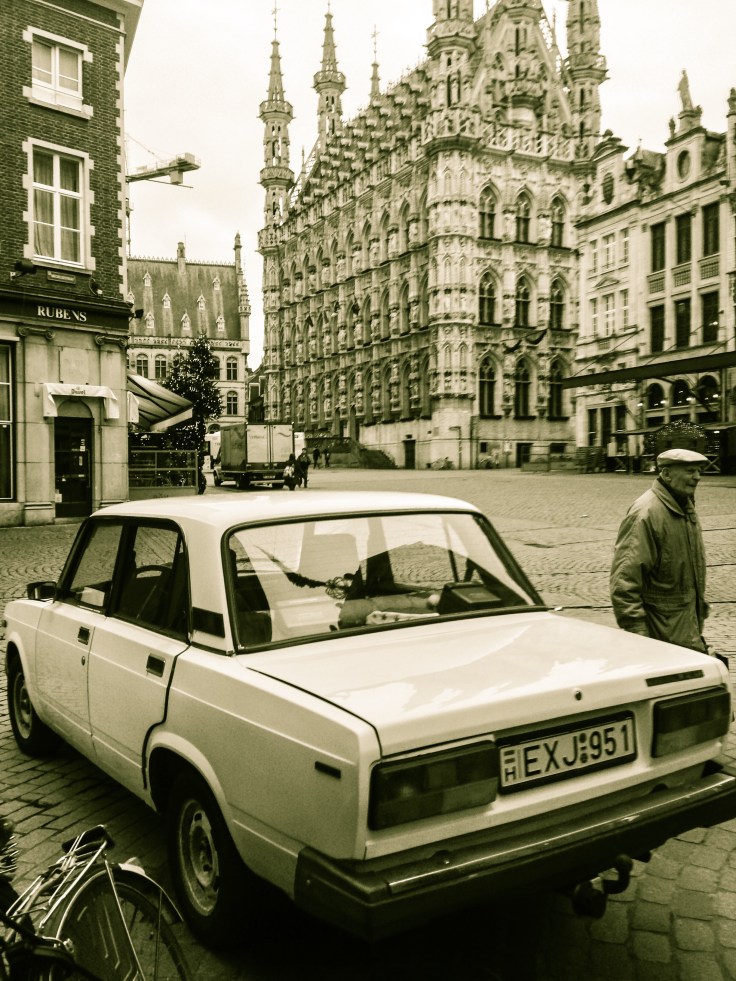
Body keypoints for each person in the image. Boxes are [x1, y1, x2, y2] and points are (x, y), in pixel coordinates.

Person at [610, 447, 709, 653]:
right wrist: (640, 638)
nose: (697, 477)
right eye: (690, 471)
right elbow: (624, 584)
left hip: (685, 631)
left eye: (699, 471)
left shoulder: (685, 507)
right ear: (666, 474)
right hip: (659, 639)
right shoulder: (646, 513)